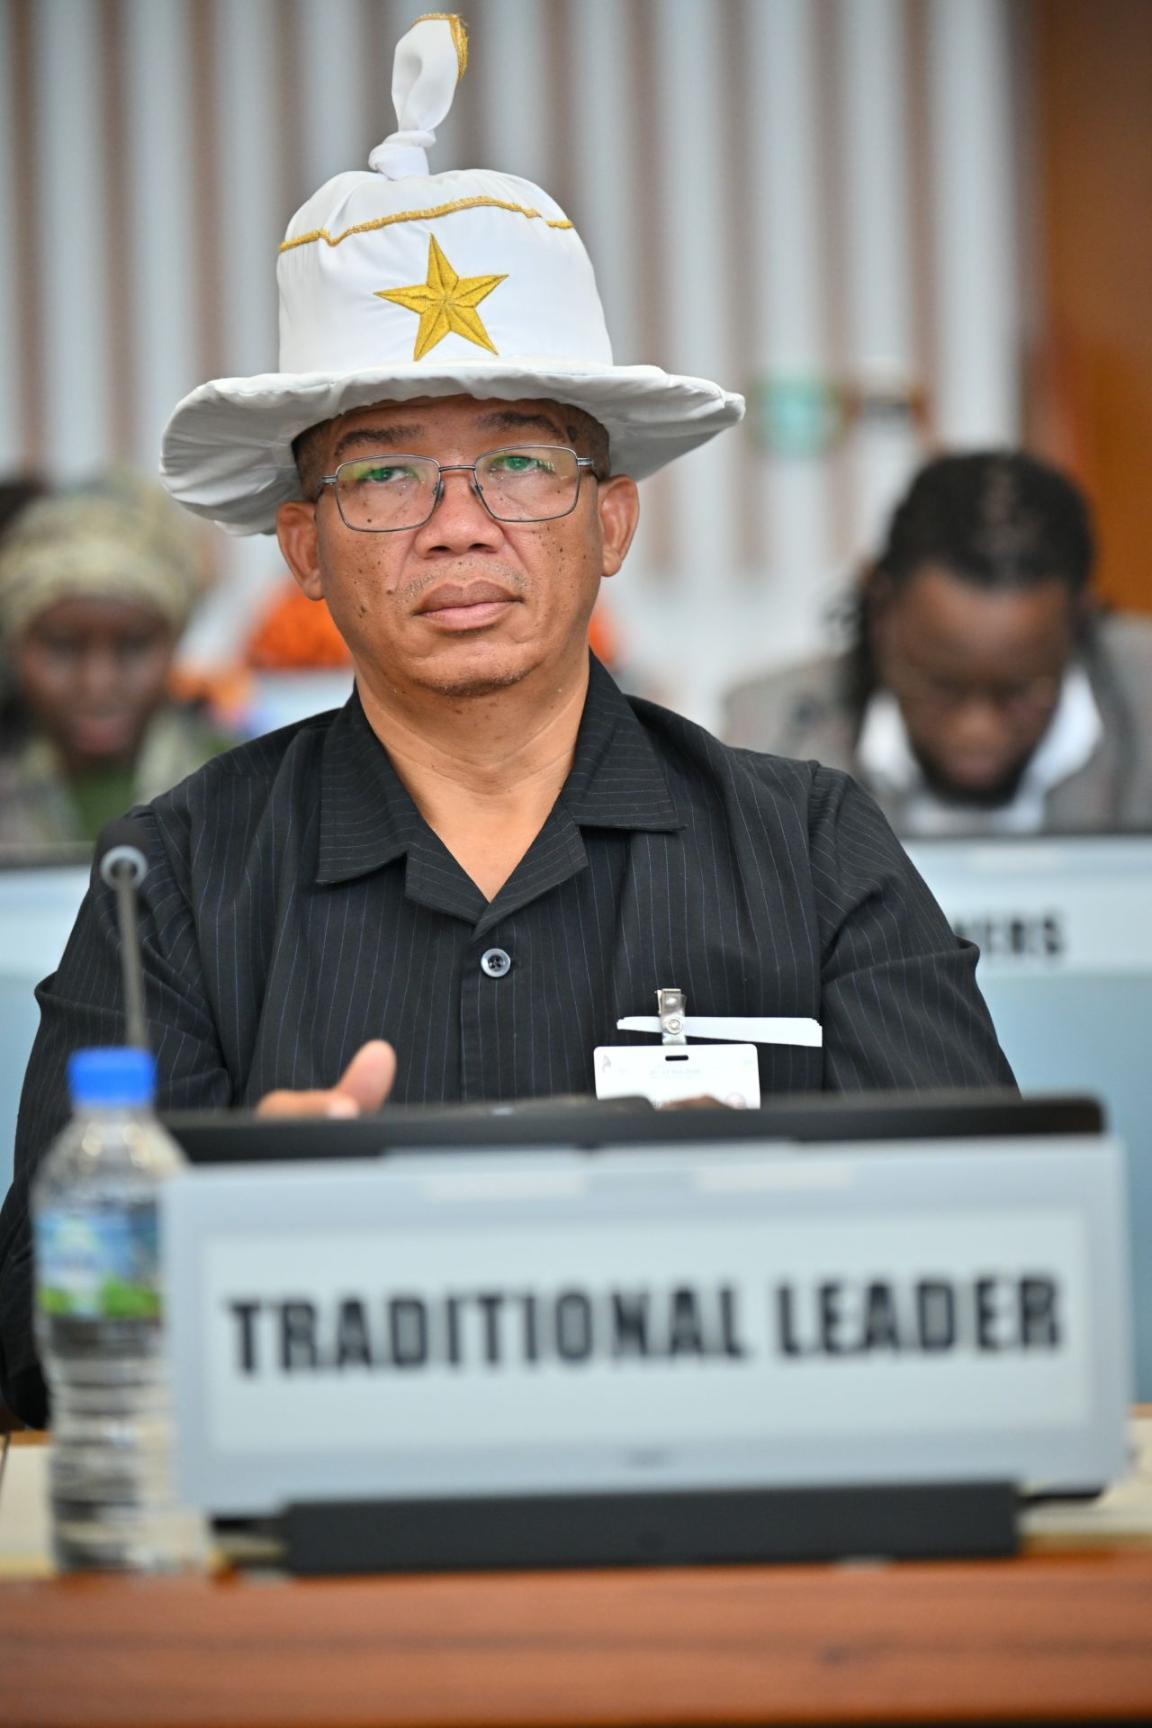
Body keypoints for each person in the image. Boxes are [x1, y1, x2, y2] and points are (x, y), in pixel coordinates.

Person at [0, 16, 1013, 1426]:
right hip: (319, 1547)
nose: (459, 526)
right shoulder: (173, 881)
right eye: (385, 478)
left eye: (521, 462)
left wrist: (778, 1224)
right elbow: (31, 1347)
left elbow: (1000, 1259)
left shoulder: (810, 848)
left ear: (614, 522)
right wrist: (212, 1233)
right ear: (302, 548)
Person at [724, 451, 1152, 835]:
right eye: (940, 686)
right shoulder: (770, 737)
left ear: (1078, 624)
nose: (978, 731)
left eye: (1021, 692)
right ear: (882, 612)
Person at [0, 469, 234, 852]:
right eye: (62, 647)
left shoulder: (247, 783)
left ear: (174, 641)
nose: (98, 685)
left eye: (134, 645)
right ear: (15, 645)